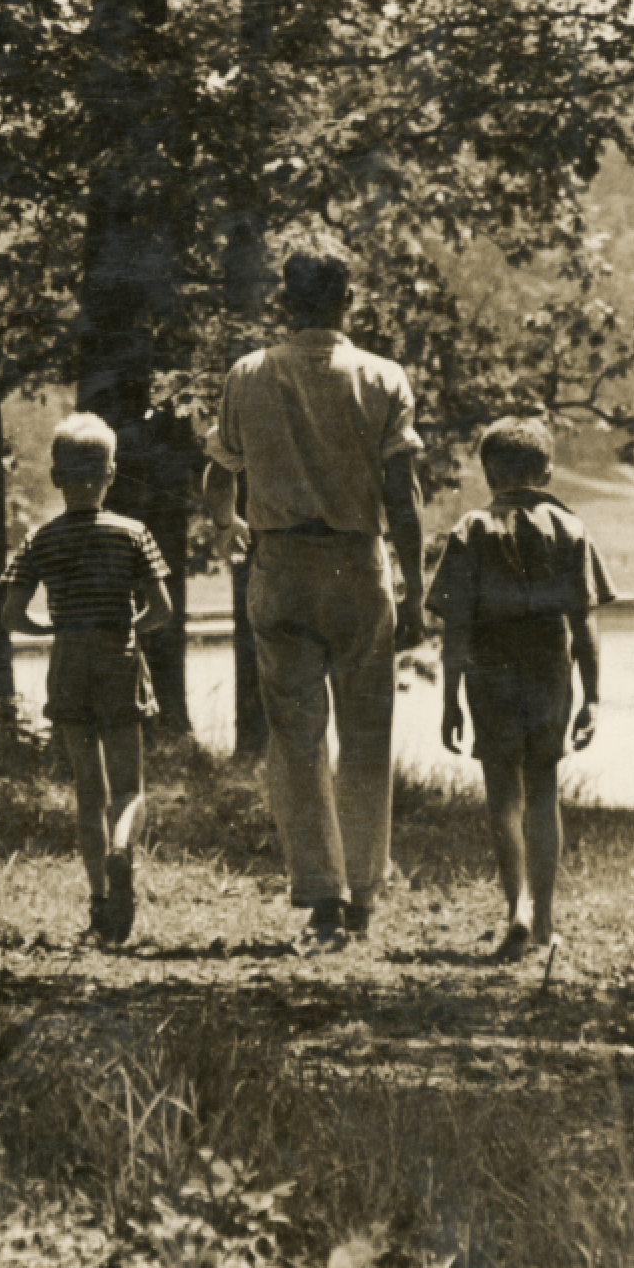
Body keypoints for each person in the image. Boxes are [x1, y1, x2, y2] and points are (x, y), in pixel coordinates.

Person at [200, 239, 426, 949]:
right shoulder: (383, 378)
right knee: (366, 734)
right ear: (348, 300)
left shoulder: (247, 374)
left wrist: (225, 527)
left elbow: (219, 474)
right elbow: (404, 496)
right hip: (357, 565)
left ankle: (321, 897)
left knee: (296, 739)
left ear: (285, 302)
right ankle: (363, 891)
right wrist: (417, 587)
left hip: (282, 566)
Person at [429, 414, 614, 963]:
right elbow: (584, 624)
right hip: (548, 670)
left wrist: (449, 701)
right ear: (548, 471)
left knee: (502, 795)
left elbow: (455, 627)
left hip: (489, 671)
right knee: (542, 791)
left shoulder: (469, 531)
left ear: (488, 473)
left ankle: (516, 907)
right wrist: (592, 697)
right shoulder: (571, 530)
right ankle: (546, 921)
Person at [2, 413, 176, 945]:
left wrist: (52, 627)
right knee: (130, 788)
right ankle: (123, 847)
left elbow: (12, 616)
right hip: (117, 658)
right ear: (111, 474)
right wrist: (129, 626)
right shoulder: (133, 533)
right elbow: (161, 610)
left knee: (88, 793)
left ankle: (100, 904)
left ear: (57, 477)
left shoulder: (40, 540)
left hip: (69, 661)